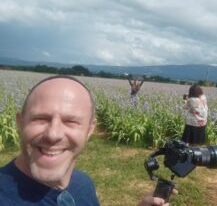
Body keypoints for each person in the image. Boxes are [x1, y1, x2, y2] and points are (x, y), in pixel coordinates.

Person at [0, 75, 173, 206]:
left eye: (70, 121)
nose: (53, 134)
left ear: (90, 129)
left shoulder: (83, 185)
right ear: (20, 123)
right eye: (41, 118)